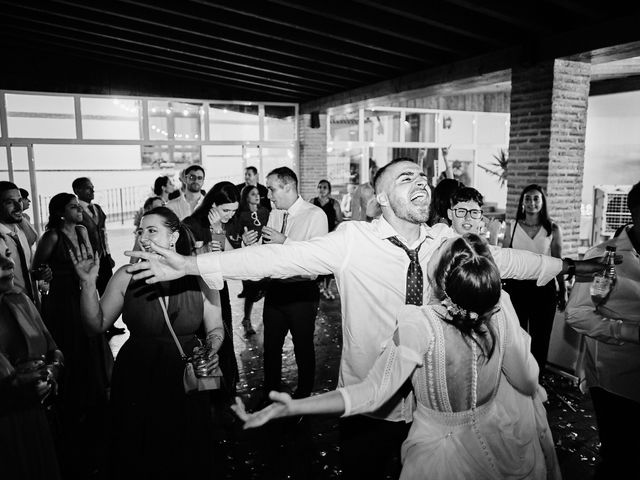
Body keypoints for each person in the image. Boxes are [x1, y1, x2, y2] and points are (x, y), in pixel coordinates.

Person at [126, 158, 606, 479]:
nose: (420, 183)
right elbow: (275, 260)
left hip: (429, 407)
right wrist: (193, 265)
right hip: (370, 405)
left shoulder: (445, 242)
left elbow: (507, 260)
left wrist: (568, 266)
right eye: (405, 179)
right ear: (379, 199)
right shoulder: (353, 240)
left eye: (422, 177)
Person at [233, 234, 560, 480]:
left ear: (439, 276)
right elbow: (526, 381)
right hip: (497, 441)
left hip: (439, 457)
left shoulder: (420, 323)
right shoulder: (500, 310)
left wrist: (296, 406)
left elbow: (373, 393)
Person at [72, 206, 221, 479]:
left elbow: (216, 327)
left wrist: (211, 349)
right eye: (140, 231)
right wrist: (87, 284)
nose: (143, 236)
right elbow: (95, 325)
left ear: (173, 237)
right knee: (140, 447)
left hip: (185, 373)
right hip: (138, 372)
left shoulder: (200, 274)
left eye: (152, 230)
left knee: (184, 446)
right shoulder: (126, 276)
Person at [32, 193, 113, 478]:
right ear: (60, 212)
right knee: (72, 342)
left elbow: (94, 249)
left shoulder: (81, 229)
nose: (80, 209)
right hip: (63, 298)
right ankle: (74, 393)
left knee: (90, 339)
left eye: (80, 206)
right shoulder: (52, 236)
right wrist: (48, 276)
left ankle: (92, 389)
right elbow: (36, 267)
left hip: (83, 292)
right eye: (74, 207)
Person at [566, 180, 640, 479]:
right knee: (620, 457)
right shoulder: (605, 255)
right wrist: (627, 332)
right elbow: (577, 314)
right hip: (614, 377)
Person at [241, 167, 328, 402]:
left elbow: (316, 264)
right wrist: (251, 245)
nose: (268, 195)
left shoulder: (315, 215)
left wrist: (285, 242)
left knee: (302, 347)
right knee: (270, 347)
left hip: (302, 293)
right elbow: (269, 252)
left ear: (288, 186)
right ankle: (270, 393)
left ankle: (303, 398)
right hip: (276, 290)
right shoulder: (275, 213)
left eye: (272, 189)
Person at [0, 232, 64, 480]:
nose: (9, 263)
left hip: (34, 418)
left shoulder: (21, 301)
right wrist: (18, 391)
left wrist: (53, 370)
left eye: (7, 255)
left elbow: (53, 348)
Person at [183, 182, 240, 401]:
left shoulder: (226, 224)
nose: (229, 215)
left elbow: (231, 261)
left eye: (234, 211)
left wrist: (219, 232)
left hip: (218, 291)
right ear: (213, 205)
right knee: (203, 347)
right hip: (197, 294)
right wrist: (208, 242)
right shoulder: (190, 225)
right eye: (226, 210)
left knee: (222, 343)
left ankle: (225, 399)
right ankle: (206, 400)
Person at [502, 184, 566, 374]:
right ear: (522, 202)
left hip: (544, 288)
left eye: (536, 198)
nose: (531, 202)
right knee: (517, 336)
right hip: (516, 288)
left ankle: (538, 383)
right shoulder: (511, 227)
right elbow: (505, 258)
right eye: (527, 198)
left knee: (541, 338)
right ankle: (517, 380)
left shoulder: (552, 229)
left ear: (542, 202)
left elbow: (558, 262)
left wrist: (562, 290)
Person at [72, 177, 124, 337]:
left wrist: (108, 253)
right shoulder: (76, 211)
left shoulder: (97, 208)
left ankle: (109, 321)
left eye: (92, 188)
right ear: (78, 191)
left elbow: (104, 233)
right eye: (88, 188)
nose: (92, 191)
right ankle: (95, 321)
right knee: (92, 289)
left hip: (103, 255)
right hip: (89, 260)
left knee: (107, 287)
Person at [0, 182, 49, 302]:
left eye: (20, 200)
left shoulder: (20, 234)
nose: (19, 207)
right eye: (10, 202)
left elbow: (25, 269)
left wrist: (37, 274)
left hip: (30, 303)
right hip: (9, 308)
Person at [232, 184, 270, 336]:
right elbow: (236, 235)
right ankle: (246, 319)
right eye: (253, 193)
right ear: (246, 196)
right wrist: (243, 239)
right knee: (251, 290)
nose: (257, 196)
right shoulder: (241, 215)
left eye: (258, 193)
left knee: (268, 287)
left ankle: (267, 317)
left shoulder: (265, 211)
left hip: (265, 255)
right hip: (248, 256)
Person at [310, 179, 342, 300]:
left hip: (329, 237)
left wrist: (333, 234)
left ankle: (327, 287)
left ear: (329, 190)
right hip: (316, 237)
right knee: (317, 262)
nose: (321, 189)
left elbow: (340, 221)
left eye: (324, 187)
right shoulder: (312, 202)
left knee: (329, 264)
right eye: (319, 187)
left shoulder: (334, 203)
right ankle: (318, 287)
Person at [130, 196, 164, 264]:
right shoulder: (142, 236)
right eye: (158, 207)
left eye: (163, 206)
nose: (162, 209)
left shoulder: (170, 231)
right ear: (149, 211)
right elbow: (133, 262)